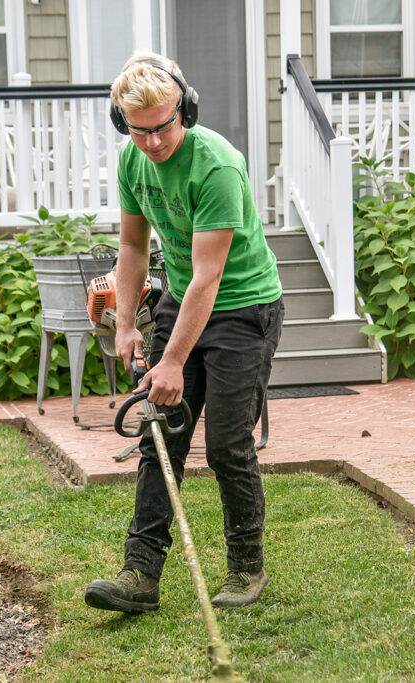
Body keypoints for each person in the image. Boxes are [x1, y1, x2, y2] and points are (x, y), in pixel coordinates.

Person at [84, 53, 284, 614]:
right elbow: (131, 246)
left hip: (243, 308)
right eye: (137, 129)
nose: (151, 142)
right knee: (159, 436)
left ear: (185, 110)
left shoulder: (216, 165)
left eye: (163, 126)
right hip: (181, 298)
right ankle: (139, 576)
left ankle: (247, 569)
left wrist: (171, 363)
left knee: (225, 443)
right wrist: (124, 323)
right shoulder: (133, 160)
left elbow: (209, 276)